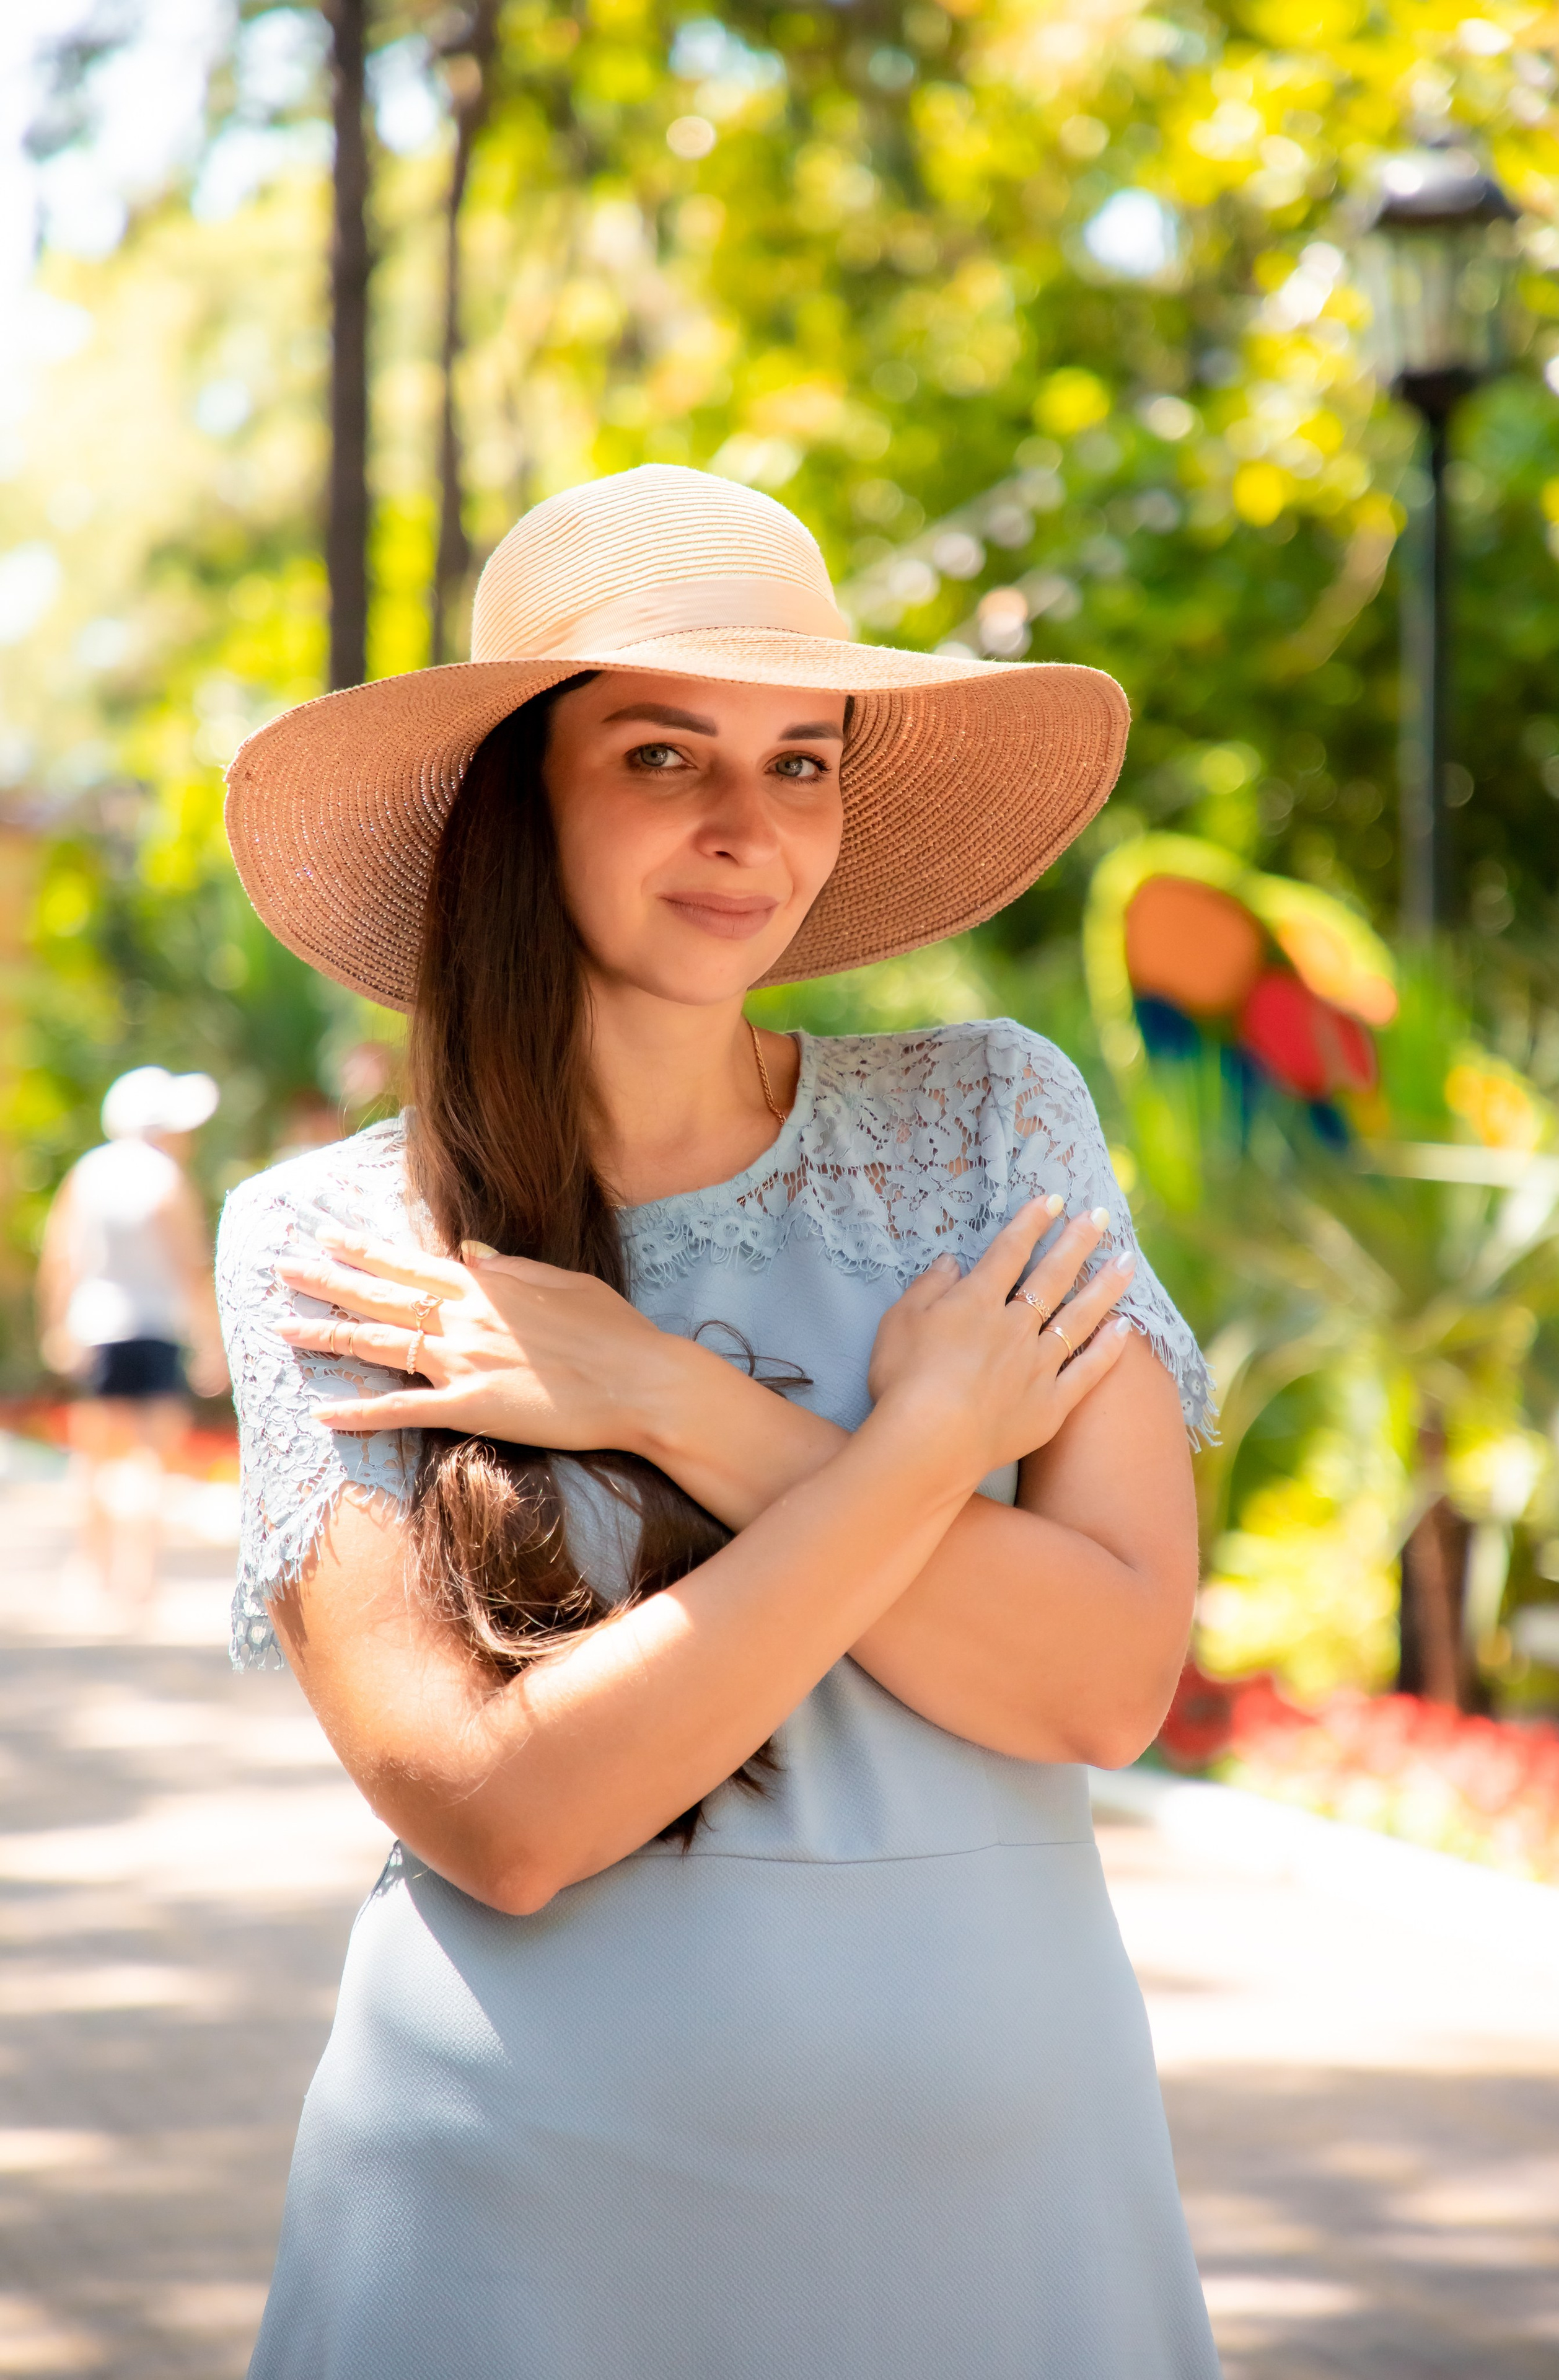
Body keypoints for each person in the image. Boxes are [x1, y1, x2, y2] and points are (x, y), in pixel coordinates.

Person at [216, 465, 1222, 2378]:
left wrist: (663, 1396)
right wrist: (923, 1446)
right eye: (662, 754)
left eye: (803, 759)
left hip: (1001, 2215)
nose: (747, 824)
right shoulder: (338, 1240)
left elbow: (1104, 1681)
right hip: (510, 2225)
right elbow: (502, 1818)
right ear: (518, 793)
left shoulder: (990, 1122)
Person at [37, 1065, 229, 1613]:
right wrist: (210, 1342)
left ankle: (93, 1570)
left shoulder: (87, 1175)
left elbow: (61, 1257)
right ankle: (139, 1579)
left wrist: (56, 1326)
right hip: (154, 1333)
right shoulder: (166, 1180)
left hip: (95, 1329)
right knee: (147, 1455)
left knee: (94, 1455)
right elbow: (190, 1266)